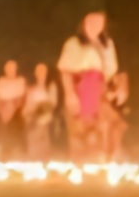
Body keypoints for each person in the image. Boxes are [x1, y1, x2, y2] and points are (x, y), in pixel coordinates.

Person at [56, 10, 119, 162]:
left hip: (100, 90)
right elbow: (65, 70)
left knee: (105, 126)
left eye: (99, 22)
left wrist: (112, 90)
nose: (95, 25)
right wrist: (70, 94)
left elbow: (111, 71)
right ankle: (80, 167)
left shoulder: (107, 44)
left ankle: (99, 163)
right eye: (91, 21)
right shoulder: (73, 43)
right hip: (80, 89)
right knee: (79, 128)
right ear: (84, 23)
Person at [0, 59, 28, 160]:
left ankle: (18, 158)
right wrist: (3, 112)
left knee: (16, 137)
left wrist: (12, 106)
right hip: (2, 115)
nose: (10, 70)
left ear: (16, 69)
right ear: (5, 70)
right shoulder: (1, 81)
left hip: (17, 114)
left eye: (13, 68)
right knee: (3, 137)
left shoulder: (20, 80)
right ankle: (2, 158)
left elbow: (22, 97)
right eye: (8, 69)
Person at [23, 62, 58, 160]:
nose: (41, 73)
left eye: (43, 71)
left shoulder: (51, 86)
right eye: (39, 71)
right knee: (32, 145)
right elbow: (28, 104)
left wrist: (42, 113)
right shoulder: (31, 88)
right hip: (32, 122)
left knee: (44, 147)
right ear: (35, 73)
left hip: (45, 120)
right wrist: (28, 115)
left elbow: (52, 103)